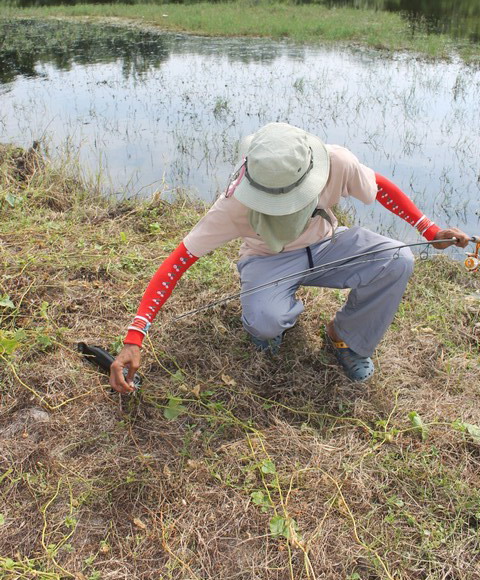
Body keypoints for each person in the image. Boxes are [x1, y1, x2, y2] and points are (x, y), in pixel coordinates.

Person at [110, 122, 470, 392]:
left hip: (330, 245)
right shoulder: (233, 206)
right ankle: (271, 314)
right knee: (266, 321)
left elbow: (379, 187)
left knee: (398, 259)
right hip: (268, 260)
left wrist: (428, 229)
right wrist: (134, 337)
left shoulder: (336, 162)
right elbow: (178, 262)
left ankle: (345, 337)